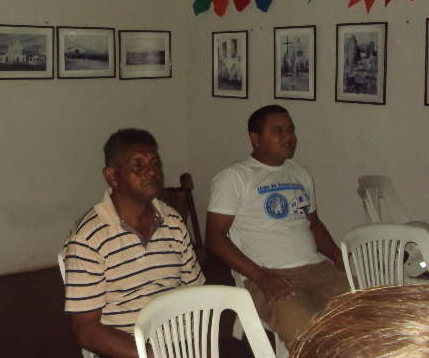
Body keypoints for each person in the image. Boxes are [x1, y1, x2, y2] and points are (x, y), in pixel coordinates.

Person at [205, 105, 349, 351]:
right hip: (268, 275)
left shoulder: (301, 174)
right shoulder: (235, 177)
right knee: (309, 337)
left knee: (362, 320)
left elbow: (313, 223)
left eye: (290, 130)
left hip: (318, 269)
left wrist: (337, 256)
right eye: (278, 131)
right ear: (256, 139)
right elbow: (214, 238)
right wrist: (262, 277)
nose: (288, 136)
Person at [62, 128, 205, 358]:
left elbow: (195, 294)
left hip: (178, 344)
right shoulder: (88, 237)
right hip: (128, 351)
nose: (152, 171)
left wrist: (196, 346)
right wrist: (156, 355)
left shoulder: (173, 221)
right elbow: (86, 332)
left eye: (155, 163)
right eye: (137, 165)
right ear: (111, 176)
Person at [290, 284, 429, 358]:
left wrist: (337, 255)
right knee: (300, 327)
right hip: (283, 278)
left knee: (350, 298)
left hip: (320, 266)